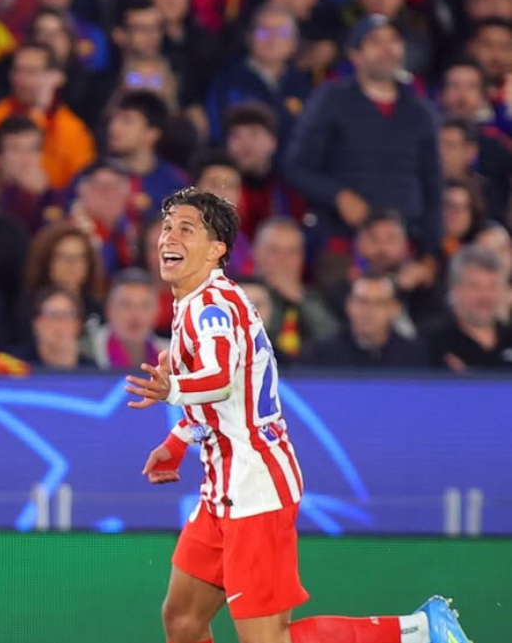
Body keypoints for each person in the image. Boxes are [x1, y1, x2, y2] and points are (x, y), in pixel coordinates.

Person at [122, 186, 473, 643]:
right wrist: (177, 441)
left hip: (255, 490)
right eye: (166, 227)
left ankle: (419, 629)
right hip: (222, 488)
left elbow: (220, 379)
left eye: (186, 229)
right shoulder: (198, 299)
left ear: (216, 250)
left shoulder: (210, 309)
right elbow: (227, 398)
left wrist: (173, 389)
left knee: (270, 640)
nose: (169, 236)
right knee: (183, 621)